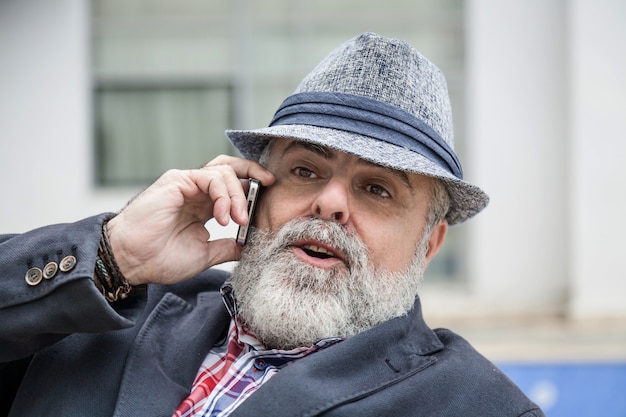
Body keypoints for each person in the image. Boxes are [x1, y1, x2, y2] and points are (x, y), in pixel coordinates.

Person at [0, 32, 544, 417]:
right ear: (253, 192)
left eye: (376, 189)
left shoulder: (474, 406)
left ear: (430, 243)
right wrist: (112, 256)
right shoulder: (98, 306)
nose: (330, 202)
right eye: (305, 170)